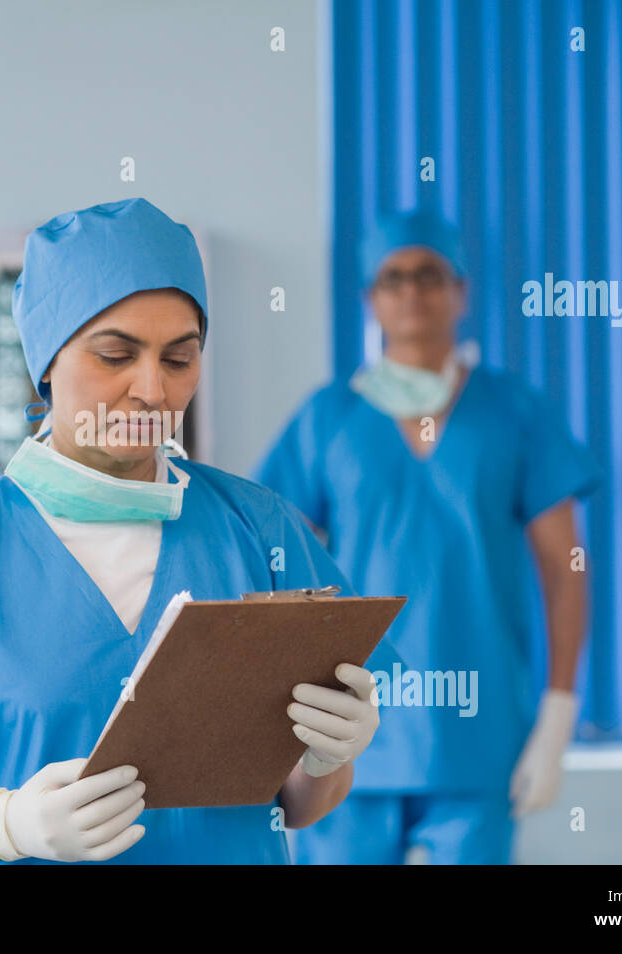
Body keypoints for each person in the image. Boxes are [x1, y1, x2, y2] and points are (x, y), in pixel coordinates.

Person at [0, 197, 403, 865]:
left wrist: (327, 757)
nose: (151, 389)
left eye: (179, 359)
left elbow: (298, 806)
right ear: (47, 361)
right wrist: (2, 824)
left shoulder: (258, 528)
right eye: (116, 354)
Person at [252, 209, 602, 864]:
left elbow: (565, 569)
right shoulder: (328, 418)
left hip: (480, 726)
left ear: (460, 292)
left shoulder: (515, 413)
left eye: (430, 274)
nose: (412, 290)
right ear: (371, 299)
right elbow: (280, 566)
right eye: (393, 277)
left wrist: (558, 713)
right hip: (351, 727)